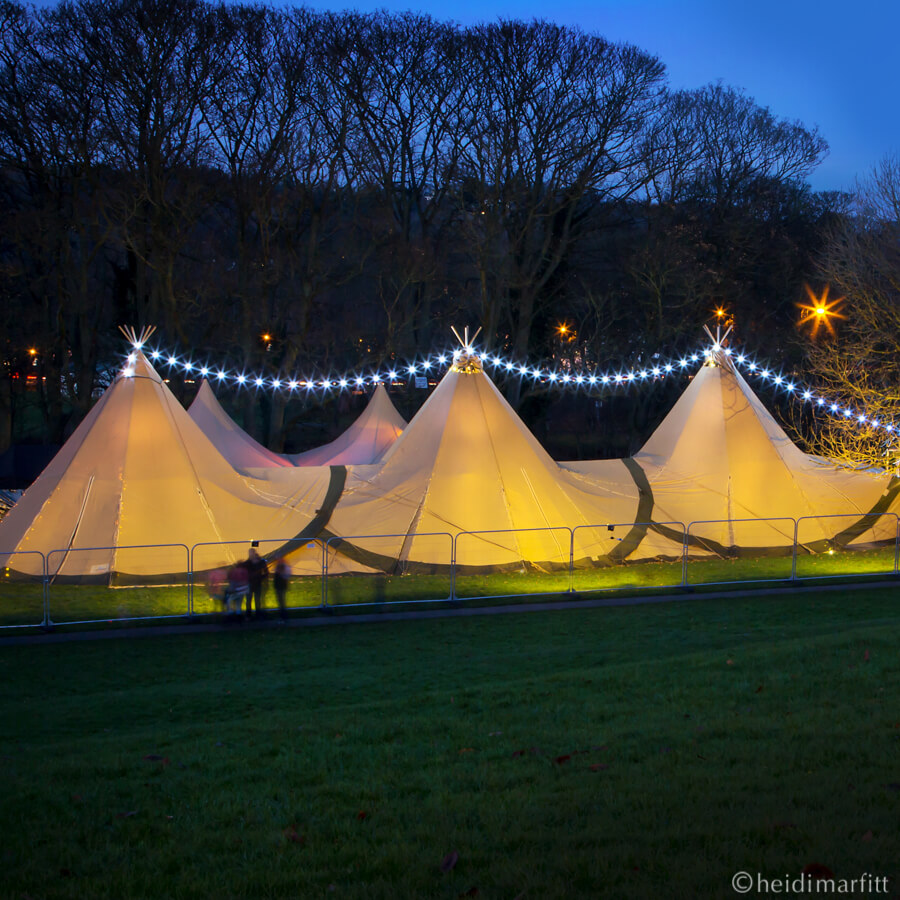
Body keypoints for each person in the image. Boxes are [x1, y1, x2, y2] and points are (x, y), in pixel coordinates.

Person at [245, 547, 269, 618]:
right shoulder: (248, 563)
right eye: (250, 553)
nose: (251, 554)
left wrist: (261, 577)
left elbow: (266, 572)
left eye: (252, 553)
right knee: (250, 600)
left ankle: (256, 615)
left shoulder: (260, 562)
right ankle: (249, 615)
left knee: (256, 600)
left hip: (256, 583)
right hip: (250, 583)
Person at [273, 557, 291, 623]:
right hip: (278, 587)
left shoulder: (285, 567)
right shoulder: (278, 567)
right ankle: (282, 616)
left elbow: (286, 576)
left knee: (282, 602)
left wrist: (280, 572)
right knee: (280, 602)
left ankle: (284, 616)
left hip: (282, 587)